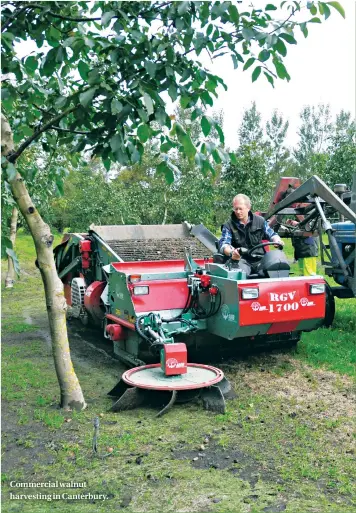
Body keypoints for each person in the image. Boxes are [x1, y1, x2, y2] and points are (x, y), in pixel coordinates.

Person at [219, 193, 284, 277]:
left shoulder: (260, 221)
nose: (238, 212)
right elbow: (224, 245)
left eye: (240, 209)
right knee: (240, 274)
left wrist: (277, 240)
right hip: (241, 260)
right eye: (236, 209)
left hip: (260, 259)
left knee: (276, 269)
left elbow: (271, 234)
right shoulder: (228, 226)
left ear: (248, 208)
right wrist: (232, 252)